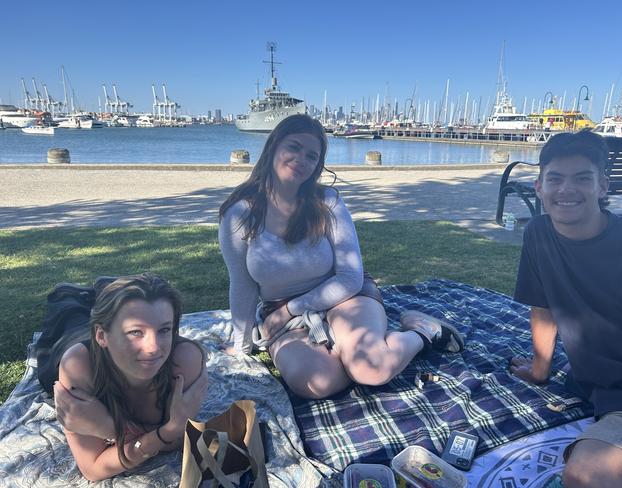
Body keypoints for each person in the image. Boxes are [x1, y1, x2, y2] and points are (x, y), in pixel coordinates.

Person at [219, 114, 463, 400]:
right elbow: (242, 283)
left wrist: (293, 308)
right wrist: (242, 345)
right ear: (273, 147)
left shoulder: (328, 202)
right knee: (316, 382)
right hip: (282, 314)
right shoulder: (239, 213)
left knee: (372, 369)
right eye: (294, 147)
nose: (301, 159)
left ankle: (422, 332)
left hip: (345, 295)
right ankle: (356, 348)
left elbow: (349, 276)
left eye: (312, 155)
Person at [509, 130, 622, 487]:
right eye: (555, 178)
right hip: (608, 389)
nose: (566, 190)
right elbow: (543, 307)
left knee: (585, 474)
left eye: (582, 178)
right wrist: (540, 370)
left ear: (603, 186)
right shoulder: (538, 234)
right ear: (540, 187)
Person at [50, 273, 207, 481]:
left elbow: (180, 438)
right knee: (70, 313)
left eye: (164, 329)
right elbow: (93, 469)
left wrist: (111, 428)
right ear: (101, 335)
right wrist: (166, 433)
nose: (153, 348)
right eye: (135, 332)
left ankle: (105, 286)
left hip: (108, 339)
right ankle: (71, 293)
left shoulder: (184, 360)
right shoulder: (77, 365)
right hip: (76, 341)